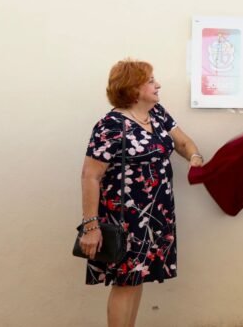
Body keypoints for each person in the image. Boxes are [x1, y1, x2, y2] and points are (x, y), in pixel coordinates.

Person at [78, 59, 203, 327]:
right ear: (133, 87)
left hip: (156, 215)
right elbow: (90, 176)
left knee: (137, 279)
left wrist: (194, 157)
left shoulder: (157, 114)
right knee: (126, 283)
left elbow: (182, 142)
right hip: (126, 218)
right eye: (151, 81)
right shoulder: (110, 126)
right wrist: (91, 227)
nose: (158, 85)